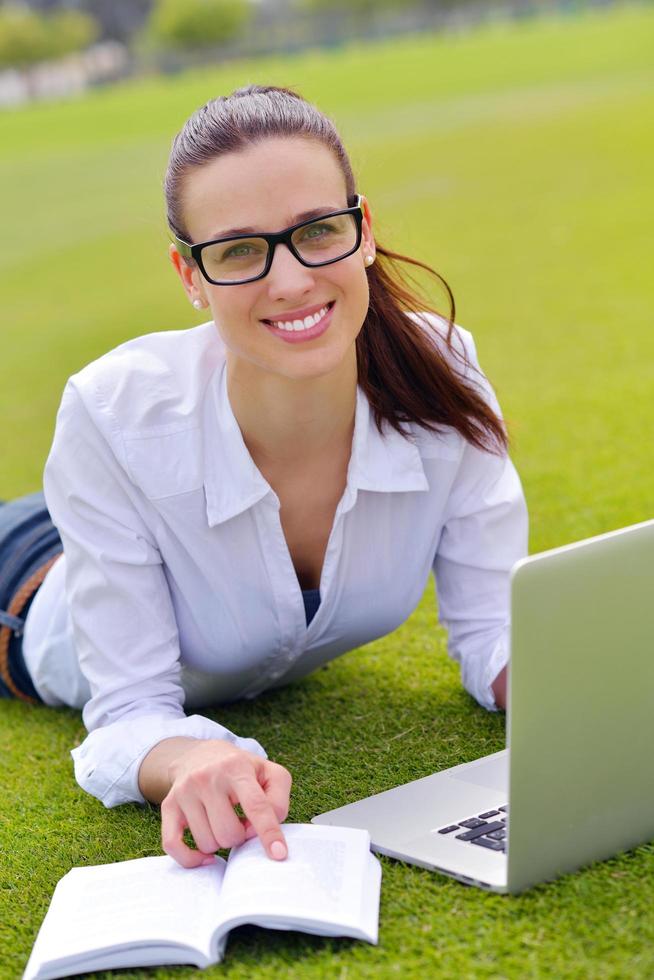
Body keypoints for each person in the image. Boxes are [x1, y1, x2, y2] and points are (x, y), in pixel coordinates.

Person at [0, 84, 527, 870]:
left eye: (317, 230)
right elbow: (128, 713)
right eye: (240, 250)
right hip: (26, 581)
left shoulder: (444, 373)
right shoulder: (111, 413)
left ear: (364, 231)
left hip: (109, 516)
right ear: (190, 275)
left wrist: (572, 681)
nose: (289, 282)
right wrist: (189, 760)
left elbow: (494, 630)